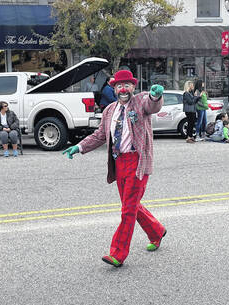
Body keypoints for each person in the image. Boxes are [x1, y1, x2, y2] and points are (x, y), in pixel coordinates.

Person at [62, 70, 167, 268]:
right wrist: (80, 147)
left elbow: (152, 105)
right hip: (119, 164)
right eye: (119, 86)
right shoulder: (110, 110)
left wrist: (155, 96)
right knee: (132, 205)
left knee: (127, 210)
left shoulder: (140, 102)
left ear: (133, 87)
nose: (123, 89)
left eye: (127, 85)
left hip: (137, 163)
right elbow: (100, 135)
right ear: (114, 89)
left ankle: (118, 253)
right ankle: (156, 231)